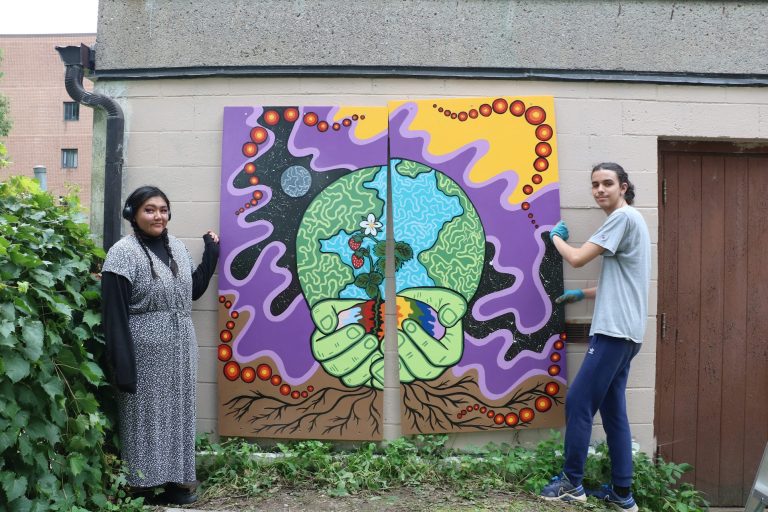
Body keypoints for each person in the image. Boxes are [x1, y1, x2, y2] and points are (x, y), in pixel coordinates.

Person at [540, 163, 650, 512]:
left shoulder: (621, 218)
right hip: (629, 333)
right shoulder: (635, 221)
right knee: (613, 410)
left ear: (624, 186)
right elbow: (620, 283)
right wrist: (582, 296)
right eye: (594, 185)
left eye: (607, 183)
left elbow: (575, 258)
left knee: (578, 403)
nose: (600, 190)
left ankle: (571, 483)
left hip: (614, 332)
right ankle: (622, 494)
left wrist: (554, 238)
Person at [101, 185, 219, 505]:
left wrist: (211, 256)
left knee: (178, 414)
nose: (158, 215)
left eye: (163, 209)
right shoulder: (122, 253)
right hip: (144, 351)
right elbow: (113, 313)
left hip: (181, 347)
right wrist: (122, 364)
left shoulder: (177, 248)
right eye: (149, 209)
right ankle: (141, 486)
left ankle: (175, 483)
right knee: (145, 417)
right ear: (133, 214)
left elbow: (190, 291)